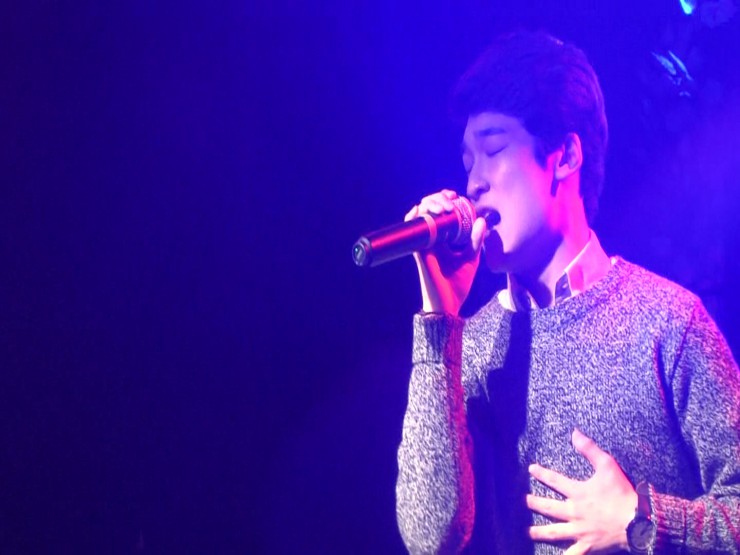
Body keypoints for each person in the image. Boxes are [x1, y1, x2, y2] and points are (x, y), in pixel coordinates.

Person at [395, 31, 740, 554]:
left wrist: (642, 522)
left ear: (565, 156)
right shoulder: (472, 346)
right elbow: (428, 537)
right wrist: (438, 321)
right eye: (467, 162)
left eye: (493, 149)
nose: (473, 184)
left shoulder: (669, 321)